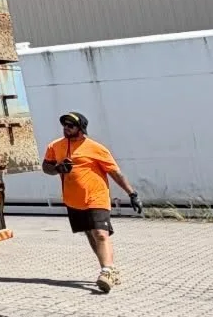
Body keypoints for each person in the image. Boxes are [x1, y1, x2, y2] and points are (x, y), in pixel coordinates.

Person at [42, 110, 142, 294]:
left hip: (97, 198)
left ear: (81, 128)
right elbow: (46, 167)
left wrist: (132, 193)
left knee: (101, 234)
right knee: (90, 234)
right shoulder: (55, 146)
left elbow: (115, 173)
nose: (66, 128)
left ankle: (106, 271)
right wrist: (57, 168)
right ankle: (110, 269)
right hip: (73, 200)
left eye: (70, 125)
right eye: (64, 125)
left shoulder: (96, 148)